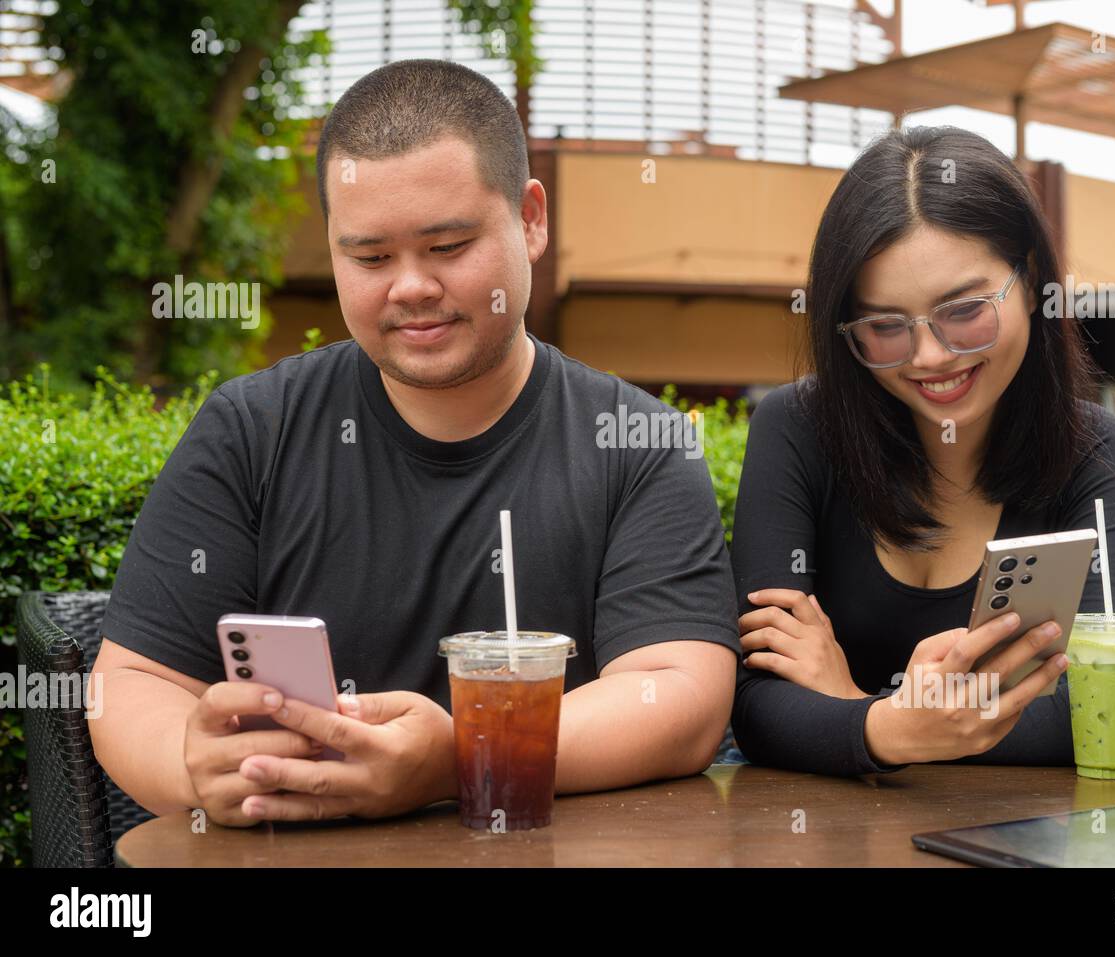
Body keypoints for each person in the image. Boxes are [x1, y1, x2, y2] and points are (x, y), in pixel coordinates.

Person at [89, 59, 739, 827]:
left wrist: (464, 753)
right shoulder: (251, 430)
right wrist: (197, 765)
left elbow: (680, 694)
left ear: (530, 219)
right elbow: (130, 683)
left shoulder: (640, 444)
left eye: (447, 245)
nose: (409, 287)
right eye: (369, 257)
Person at [728, 126, 1115, 776]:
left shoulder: (1086, 449)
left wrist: (866, 712)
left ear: (1030, 280)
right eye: (884, 327)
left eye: (964, 311)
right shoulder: (797, 428)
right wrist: (893, 724)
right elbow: (755, 704)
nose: (930, 356)